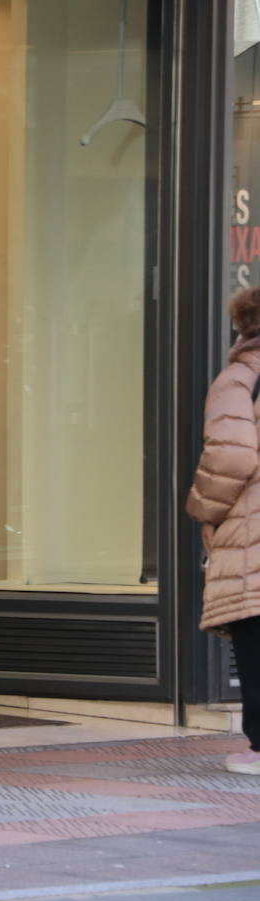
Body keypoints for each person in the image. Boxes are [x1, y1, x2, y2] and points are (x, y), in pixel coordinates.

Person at [187, 284, 260, 776]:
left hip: (252, 532)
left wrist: (203, 511)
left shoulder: (239, 379)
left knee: (255, 635)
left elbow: (231, 455)